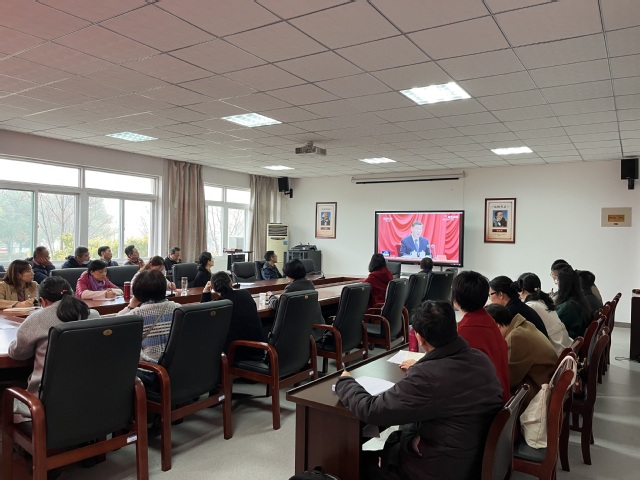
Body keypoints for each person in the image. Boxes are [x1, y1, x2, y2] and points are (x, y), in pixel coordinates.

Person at [335, 301, 503, 480]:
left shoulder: (427, 376)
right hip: (469, 458)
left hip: (438, 469)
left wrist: (345, 382)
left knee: (347, 463)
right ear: (455, 327)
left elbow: (372, 410)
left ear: (420, 338)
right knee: (391, 443)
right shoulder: (481, 359)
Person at [9, 276, 97, 422]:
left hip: (45, 404)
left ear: (42, 301)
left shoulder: (37, 319)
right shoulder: (93, 315)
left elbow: (18, 354)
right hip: (91, 397)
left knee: (6, 395)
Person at [452, 270, 511, 403]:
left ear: (455, 298)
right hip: (501, 399)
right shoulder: (489, 321)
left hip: (486, 406)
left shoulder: (463, 332)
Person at [485, 304, 558, 406]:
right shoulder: (523, 326)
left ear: (496, 325)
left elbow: (507, 380)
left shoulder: (516, 337)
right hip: (544, 382)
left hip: (538, 393)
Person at [116, 270, 180, 372]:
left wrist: (131, 305)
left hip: (150, 370)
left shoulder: (137, 314)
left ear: (138, 292)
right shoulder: (178, 308)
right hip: (177, 366)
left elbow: (115, 324)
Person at [202, 271, 265, 361]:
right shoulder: (245, 294)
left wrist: (205, 292)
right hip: (259, 349)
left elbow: (204, 316)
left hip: (238, 352)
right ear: (231, 283)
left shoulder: (219, 305)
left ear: (213, 288)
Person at [516, 273, 572, 355]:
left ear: (521, 290)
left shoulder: (530, 306)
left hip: (556, 352)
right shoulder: (543, 301)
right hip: (565, 346)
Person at [267, 259, 324, 324]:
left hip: (305, 329)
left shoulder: (291, 287)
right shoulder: (310, 284)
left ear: (290, 276)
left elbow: (278, 305)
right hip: (317, 328)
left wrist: (271, 296)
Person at [554, 265, 591, 338]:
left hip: (567, 340)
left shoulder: (568, 306)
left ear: (563, 284)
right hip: (575, 338)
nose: (556, 283)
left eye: (557, 280)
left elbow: (553, 325)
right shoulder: (579, 300)